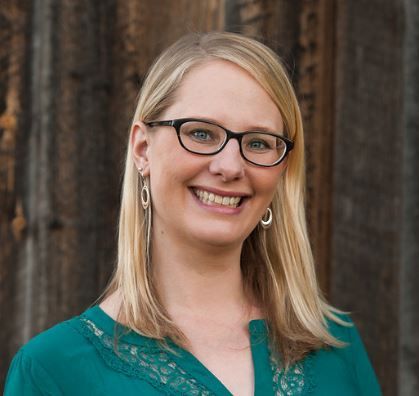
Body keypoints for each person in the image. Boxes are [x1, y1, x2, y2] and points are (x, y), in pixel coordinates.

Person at [4, 31, 381, 396]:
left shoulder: (336, 345)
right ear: (142, 149)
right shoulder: (54, 372)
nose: (230, 166)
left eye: (259, 143)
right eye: (201, 134)